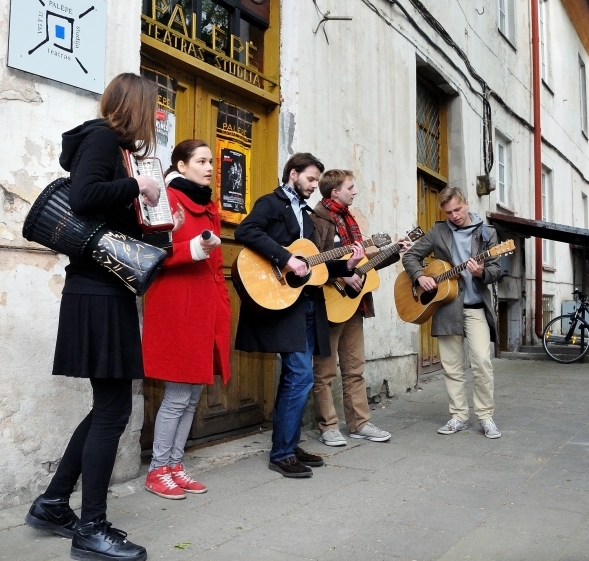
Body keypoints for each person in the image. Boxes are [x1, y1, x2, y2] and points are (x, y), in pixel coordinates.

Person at [25, 73, 164, 561]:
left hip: (102, 290)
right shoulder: (104, 139)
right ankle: (92, 529)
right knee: (113, 410)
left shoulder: (108, 143)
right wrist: (137, 184)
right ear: (137, 107)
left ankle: (53, 504)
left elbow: (104, 213)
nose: (157, 118)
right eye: (154, 109)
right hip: (99, 293)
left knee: (108, 406)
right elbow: (84, 197)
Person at [234, 153, 364, 478]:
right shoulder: (271, 203)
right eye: (309, 178)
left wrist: (345, 265)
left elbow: (314, 262)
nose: (314, 185)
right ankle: (282, 453)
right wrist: (285, 257)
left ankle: (287, 444)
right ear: (293, 174)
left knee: (295, 378)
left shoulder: (307, 216)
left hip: (306, 303)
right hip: (281, 302)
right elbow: (246, 232)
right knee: (302, 376)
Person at [142, 139, 231, 499]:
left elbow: (214, 262)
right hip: (177, 304)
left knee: (192, 394)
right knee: (179, 394)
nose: (210, 167)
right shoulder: (166, 197)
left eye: (211, 161)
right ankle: (157, 469)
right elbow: (151, 252)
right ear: (181, 165)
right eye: (201, 161)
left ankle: (175, 464)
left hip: (206, 303)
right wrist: (193, 248)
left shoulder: (208, 204)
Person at [311, 169, 408, 446]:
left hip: (355, 304)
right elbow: (313, 262)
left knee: (355, 369)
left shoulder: (350, 220)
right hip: (330, 302)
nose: (354, 191)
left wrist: (395, 250)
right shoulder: (316, 220)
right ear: (335, 192)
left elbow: (364, 263)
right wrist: (342, 274)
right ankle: (328, 426)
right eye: (350, 187)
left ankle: (359, 424)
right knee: (325, 371)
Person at [402, 187, 502, 439]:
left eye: (458, 209)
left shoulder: (487, 232)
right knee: (452, 367)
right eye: (449, 212)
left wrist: (481, 272)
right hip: (447, 306)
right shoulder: (439, 231)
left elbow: (497, 270)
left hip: (476, 306)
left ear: (466, 204)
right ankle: (458, 416)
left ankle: (486, 416)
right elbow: (411, 256)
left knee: (481, 362)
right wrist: (420, 276)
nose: (454, 216)